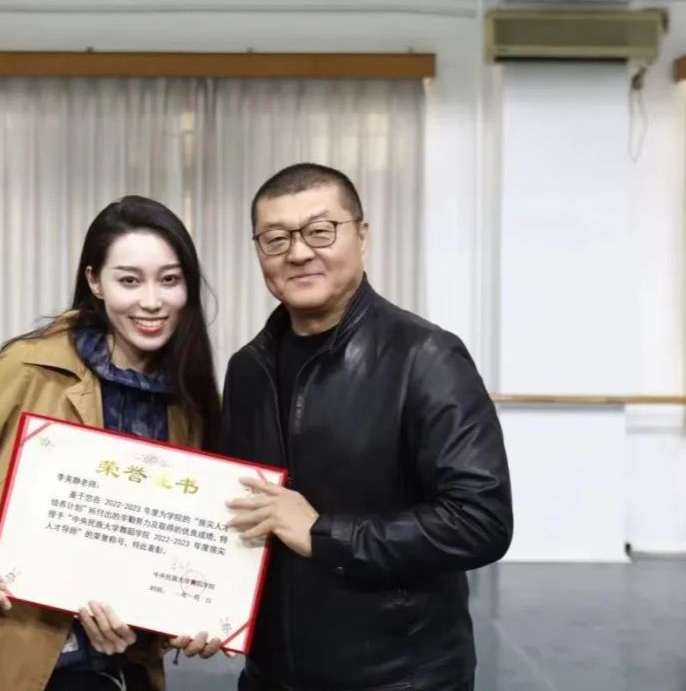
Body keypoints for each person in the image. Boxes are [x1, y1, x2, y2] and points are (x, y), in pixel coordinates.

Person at [0, 195, 224, 691]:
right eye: (129, 280)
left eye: (169, 280)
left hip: (116, 669)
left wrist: (182, 618)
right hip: (0, 656)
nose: (152, 301)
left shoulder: (191, 401)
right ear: (95, 282)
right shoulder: (30, 368)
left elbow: (173, 550)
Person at [220, 163, 513, 690]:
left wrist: (323, 534)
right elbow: (239, 507)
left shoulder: (426, 357)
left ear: (362, 234)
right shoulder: (248, 369)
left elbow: (480, 521)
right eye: (276, 238)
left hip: (398, 676)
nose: (298, 252)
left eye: (320, 231)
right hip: (271, 674)